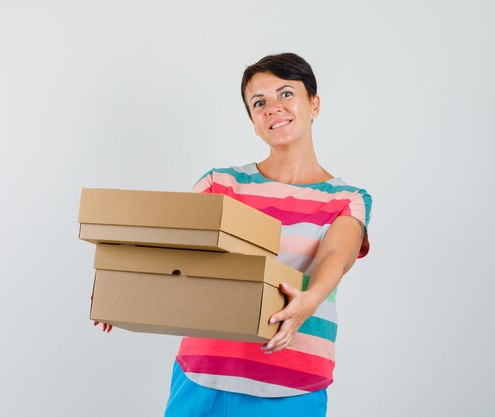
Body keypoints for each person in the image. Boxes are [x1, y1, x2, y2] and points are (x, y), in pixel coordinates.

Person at [95, 53, 372, 417]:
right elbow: (168, 244)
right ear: (253, 122)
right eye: (259, 103)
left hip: (292, 385)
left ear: (314, 103)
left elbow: (337, 256)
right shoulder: (220, 184)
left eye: (286, 94)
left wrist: (310, 299)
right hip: (203, 376)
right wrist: (125, 284)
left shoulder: (346, 198)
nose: (273, 108)